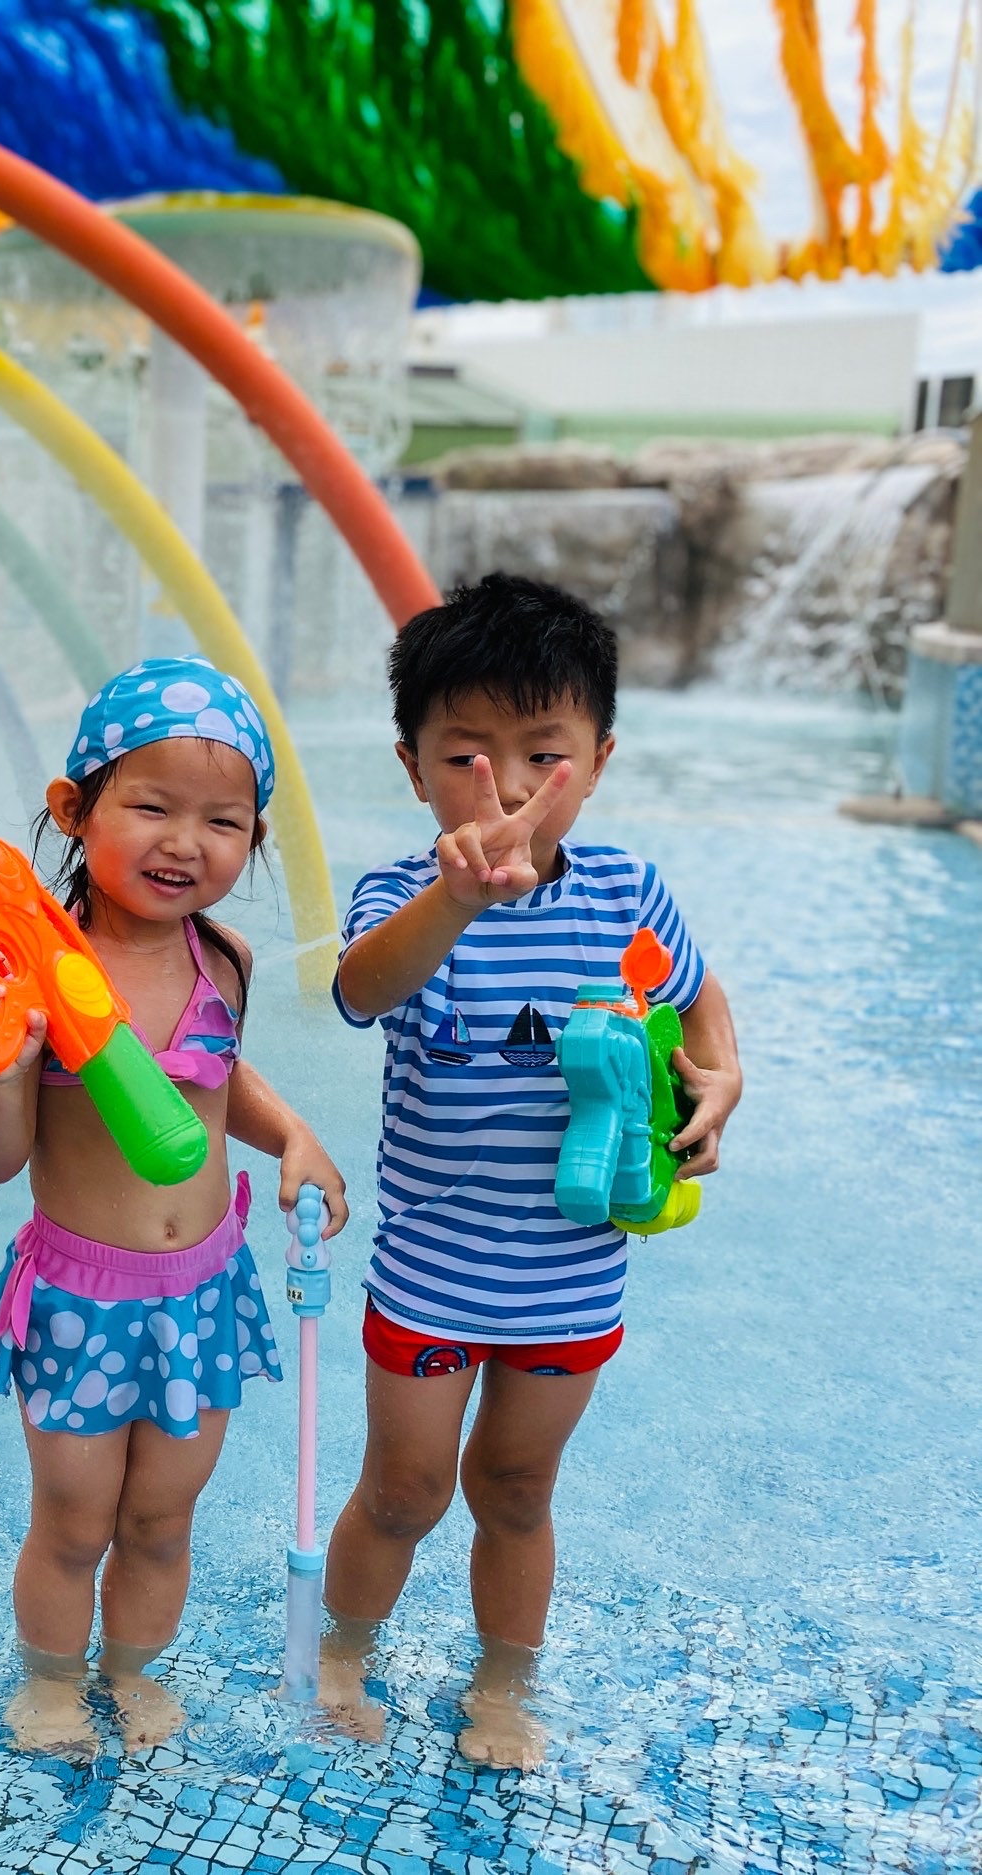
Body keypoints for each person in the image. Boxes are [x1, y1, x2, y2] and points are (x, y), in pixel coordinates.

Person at [324, 573, 743, 1768]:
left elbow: (699, 998)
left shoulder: (626, 894)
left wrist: (723, 1078)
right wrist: (455, 901)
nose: (503, 787)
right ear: (411, 766)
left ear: (596, 762)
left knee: (514, 1489)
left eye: (541, 755)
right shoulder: (402, 896)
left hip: (570, 1275)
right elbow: (361, 988)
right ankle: (341, 1651)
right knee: (403, 1491)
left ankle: (502, 1686)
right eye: (464, 755)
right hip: (432, 1270)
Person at [0, 656, 349, 1759]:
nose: (186, 842)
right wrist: (4, 1068)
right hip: (84, 1297)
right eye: (152, 808)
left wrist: (296, 1134)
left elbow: (217, 1079)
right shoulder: (37, 966)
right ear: (73, 810)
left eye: (223, 821)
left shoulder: (221, 955)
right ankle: (50, 1682)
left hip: (203, 1291)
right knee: (74, 1522)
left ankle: (130, 1673)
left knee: (162, 1519)